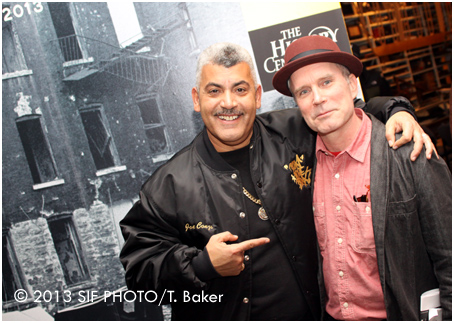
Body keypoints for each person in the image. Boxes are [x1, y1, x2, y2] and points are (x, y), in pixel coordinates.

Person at [119, 42, 433, 320]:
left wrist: (397, 110)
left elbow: (349, 112)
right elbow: (138, 270)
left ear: (257, 97)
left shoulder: (295, 133)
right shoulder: (169, 184)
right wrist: (202, 265)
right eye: (214, 91)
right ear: (197, 99)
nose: (228, 102)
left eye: (240, 89)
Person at [272, 35, 452, 321]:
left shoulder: (408, 152)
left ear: (352, 84)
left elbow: (449, 257)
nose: (318, 98)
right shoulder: (300, 166)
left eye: (326, 82)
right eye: (304, 92)